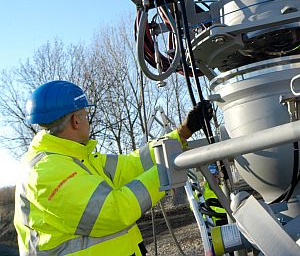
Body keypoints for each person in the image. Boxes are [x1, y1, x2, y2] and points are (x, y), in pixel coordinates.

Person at [14, 80, 212, 256]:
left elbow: (135, 164)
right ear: (76, 120)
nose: (87, 120)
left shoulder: (79, 158)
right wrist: (170, 167)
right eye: (85, 114)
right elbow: (114, 211)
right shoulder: (45, 172)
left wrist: (183, 133)